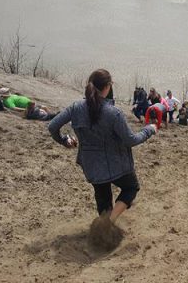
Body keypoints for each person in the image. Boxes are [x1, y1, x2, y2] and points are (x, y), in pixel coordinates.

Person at [47, 69, 157, 230]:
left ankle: (104, 232)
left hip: (91, 165)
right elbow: (130, 140)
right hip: (117, 163)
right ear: (107, 87)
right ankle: (108, 224)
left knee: (103, 198)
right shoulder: (114, 113)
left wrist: (64, 140)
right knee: (131, 187)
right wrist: (149, 130)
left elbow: (52, 126)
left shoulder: (76, 107)